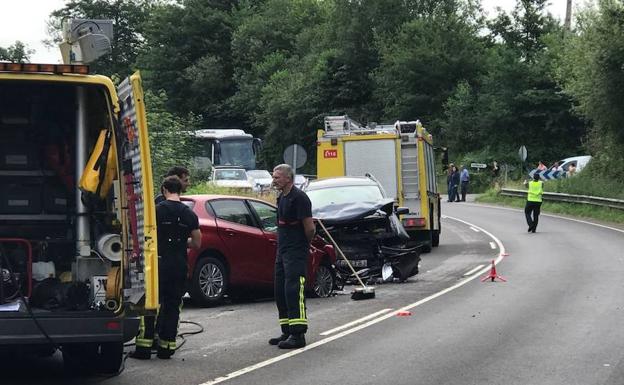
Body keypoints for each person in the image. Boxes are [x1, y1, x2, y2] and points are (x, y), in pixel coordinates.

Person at [131, 175, 202, 359]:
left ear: (164, 189)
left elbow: (144, 236)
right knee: (173, 306)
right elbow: (196, 243)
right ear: (180, 190)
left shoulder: (155, 211)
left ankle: (144, 348)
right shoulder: (190, 214)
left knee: (150, 305)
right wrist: (180, 242)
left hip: (157, 264)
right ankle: (167, 347)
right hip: (179, 264)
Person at [269, 164, 315, 349]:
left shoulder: (299, 198)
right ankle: (287, 330)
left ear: (288, 178)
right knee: (280, 289)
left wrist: (303, 246)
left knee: (294, 289)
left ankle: (298, 334)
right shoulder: (282, 198)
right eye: (274, 177)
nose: (274, 180)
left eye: (277, 177)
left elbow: (310, 228)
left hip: (296, 251)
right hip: (283, 250)